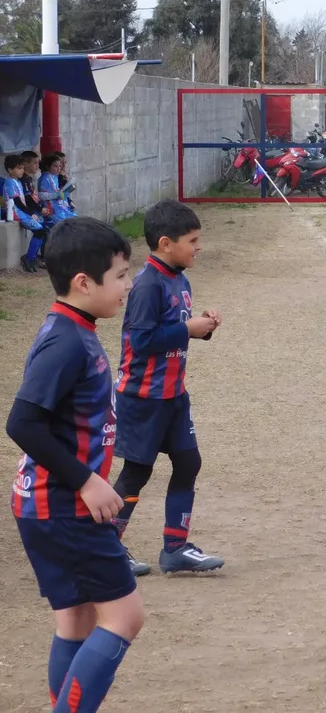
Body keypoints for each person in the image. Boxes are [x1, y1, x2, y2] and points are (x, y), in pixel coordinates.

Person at [5, 216, 145, 712]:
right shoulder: (64, 340)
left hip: (45, 506)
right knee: (125, 618)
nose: (129, 285)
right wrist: (87, 482)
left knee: (77, 621)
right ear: (84, 283)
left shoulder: (75, 326)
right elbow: (21, 423)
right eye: (122, 275)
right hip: (62, 506)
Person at [109, 200, 224, 577]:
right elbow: (142, 341)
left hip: (174, 395)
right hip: (143, 397)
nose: (198, 246)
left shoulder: (179, 278)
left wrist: (200, 328)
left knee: (189, 463)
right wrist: (186, 329)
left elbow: (175, 330)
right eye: (192, 240)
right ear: (165, 243)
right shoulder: (147, 284)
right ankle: (108, 548)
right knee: (136, 473)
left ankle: (175, 548)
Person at [4, 154, 47, 273]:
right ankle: (29, 258)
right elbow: (17, 202)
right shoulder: (10, 182)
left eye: (22, 168)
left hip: (22, 212)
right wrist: (30, 213)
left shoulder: (17, 182)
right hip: (16, 213)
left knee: (42, 230)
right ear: (10, 170)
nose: (22, 170)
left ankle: (31, 258)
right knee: (41, 231)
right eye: (19, 168)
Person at [40, 154, 76, 222]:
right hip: (51, 208)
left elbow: (57, 191)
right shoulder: (45, 178)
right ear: (48, 167)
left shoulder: (55, 177)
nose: (59, 168)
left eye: (60, 166)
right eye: (55, 166)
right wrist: (56, 195)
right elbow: (41, 195)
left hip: (59, 206)